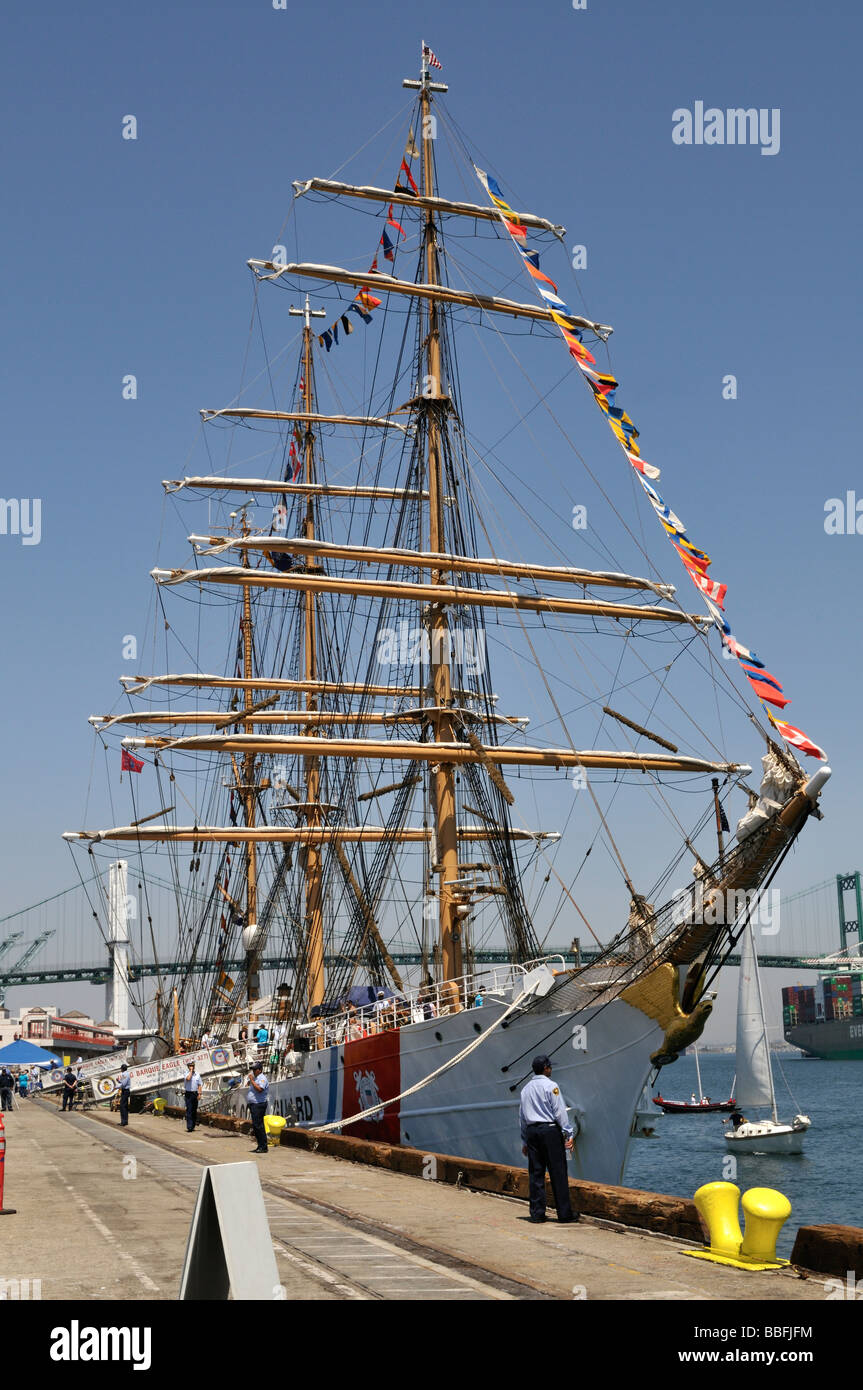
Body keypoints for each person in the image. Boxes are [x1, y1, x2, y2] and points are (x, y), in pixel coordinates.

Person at [518, 1055, 577, 1225]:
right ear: (545, 1069)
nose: (551, 1069)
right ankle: (564, 1214)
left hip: (531, 1131)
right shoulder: (551, 1086)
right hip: (549, 1131)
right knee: (557, 1171)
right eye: (549, 1066)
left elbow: (521, 1116)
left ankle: (537, 1214)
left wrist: (524, 1141)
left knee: (536, 1172)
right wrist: (568, 1133)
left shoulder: (525, 1089)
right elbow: (559, 1112)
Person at [246, 1062, 269, 1154]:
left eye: (255, 1069)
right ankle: (260, 1145)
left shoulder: (262, 1078)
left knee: (258, 1126)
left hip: (259, 1104)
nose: (253, 1071)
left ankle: (263, 1146)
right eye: (253, 1069)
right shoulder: (256, 1078)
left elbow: (260, 1089)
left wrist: (252, 1081)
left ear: (259, 1070)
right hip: (254, 1104)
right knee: (256, 1126)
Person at [184, 1059, 202, 1132]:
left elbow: (199, 1084)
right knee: (189, 1110)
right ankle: (189, 1126)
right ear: (188, 1067)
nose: (192, 1067)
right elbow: (188, 1079)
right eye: (190, 1066)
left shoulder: (197, 1074)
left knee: (194, 1110)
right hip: (188, 1093)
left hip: (195, 1093)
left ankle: (193, 1125)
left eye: (193, 1066)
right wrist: (191, 1071)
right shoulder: (186, 1073)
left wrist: (200, 1094)